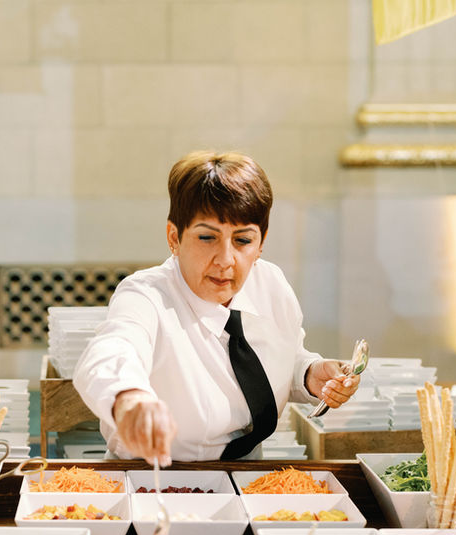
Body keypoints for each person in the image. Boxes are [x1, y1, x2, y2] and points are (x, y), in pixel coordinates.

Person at [73, 150, 360, 464]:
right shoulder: (146, 295)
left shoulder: (271, 284)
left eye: (243, 240)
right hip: (152, 475)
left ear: (261, 242)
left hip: (247, 473)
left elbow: (281, 356)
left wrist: (308, 373)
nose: (225, 260)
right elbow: (113, 350)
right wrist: (129, 398)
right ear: (174, 237)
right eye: (207, 237)